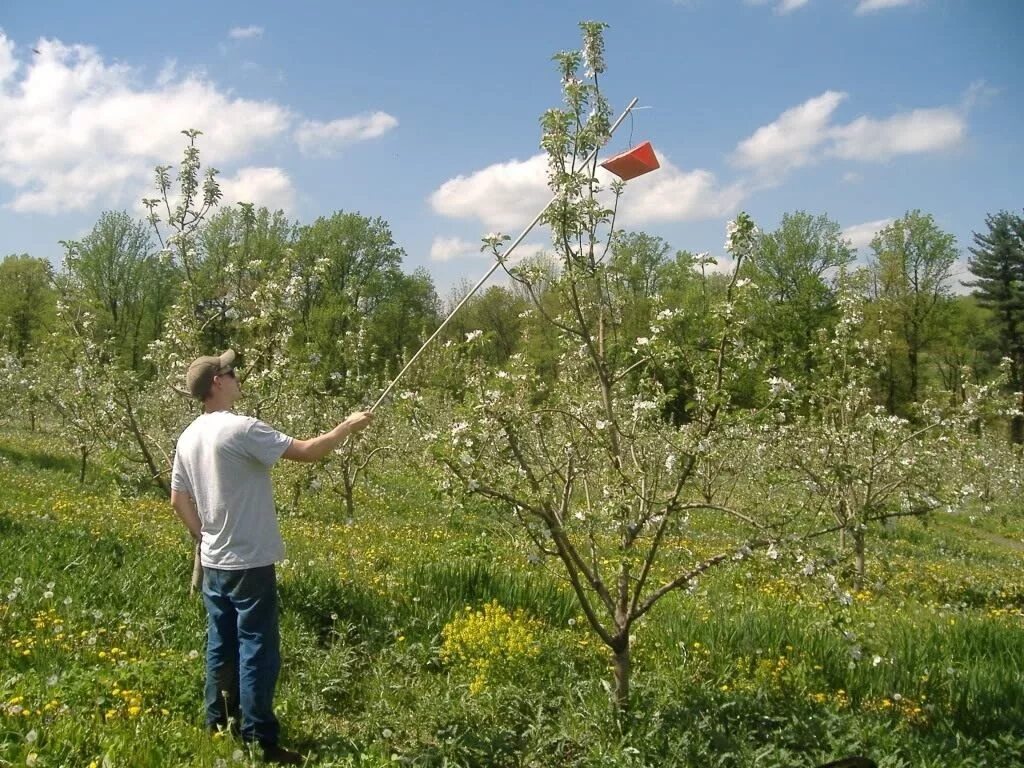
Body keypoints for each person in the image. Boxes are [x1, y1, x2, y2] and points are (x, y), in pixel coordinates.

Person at [170, 349, 372, 765]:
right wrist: (347, 427)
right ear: (216, 383)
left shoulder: (187, 437)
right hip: (249, 562)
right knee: (257, 649)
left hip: (215, 562)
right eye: (231, 371)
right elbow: (308, 451)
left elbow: (178, 499)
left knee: (220, 645)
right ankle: (261, 739)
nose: (238, 376)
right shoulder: (242, 429)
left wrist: (203, 535)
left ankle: (217, 724)